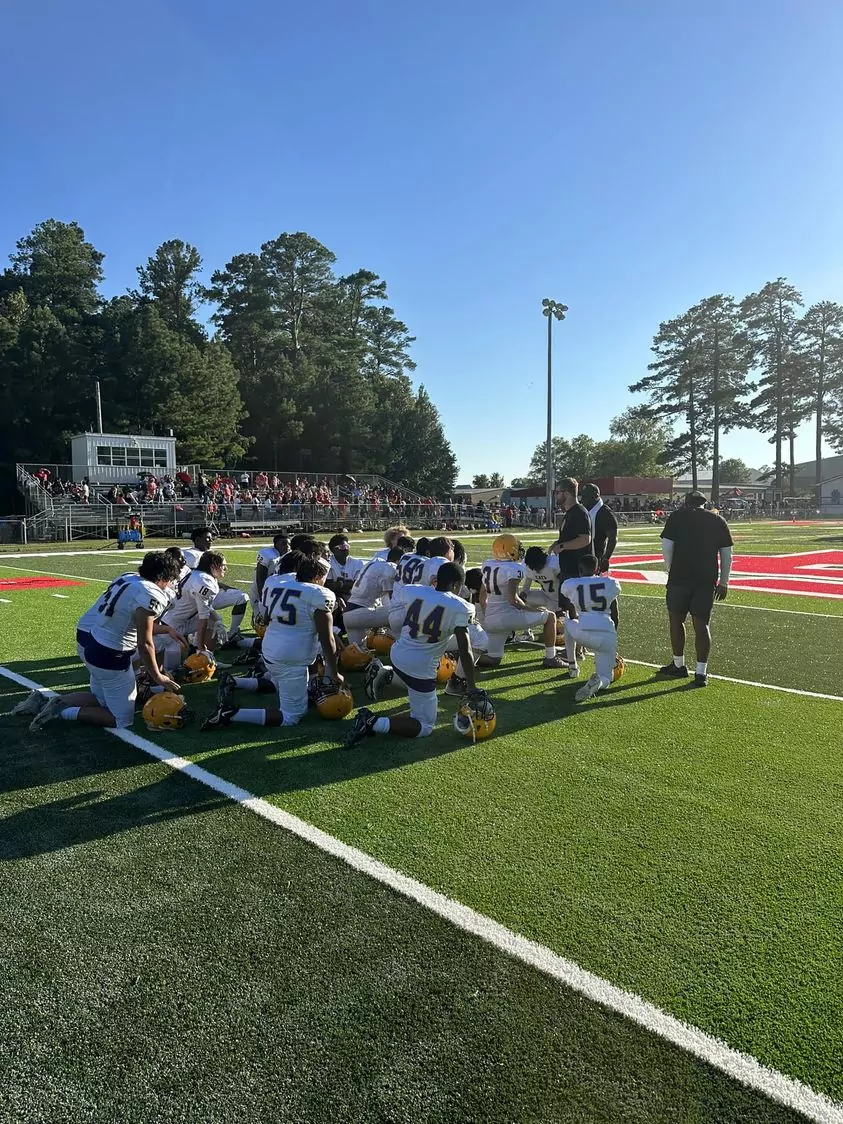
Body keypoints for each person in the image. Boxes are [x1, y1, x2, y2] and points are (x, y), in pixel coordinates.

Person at [17, 552, 182, 731]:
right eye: (170, 579)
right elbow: (145, 643)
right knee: (121, 719)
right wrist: (157, 675)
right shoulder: (151, 594)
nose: (170, 584)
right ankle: (61, 712)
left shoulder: (129, 577)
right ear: (162, 577)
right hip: (110, 654)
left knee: (102, 699)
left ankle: (48, 702)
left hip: (91, 637)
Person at [345, 561, 487, 745]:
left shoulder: (412, 591)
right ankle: (372, 722)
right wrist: (471, 686)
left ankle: (387, 673)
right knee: (424, 725)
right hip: (420, 666)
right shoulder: (461, 606)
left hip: (398, 652)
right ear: (455, 585)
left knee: (413, 678)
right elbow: (465, 650)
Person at [202, 555, 341, 730]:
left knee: (279, 681)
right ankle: (230, 714)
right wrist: (333, 672)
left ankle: (234, 682)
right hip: (291, 658)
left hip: (269, 649)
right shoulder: (319, 594)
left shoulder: (279, 585)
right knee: (292, 716)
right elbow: (327, 639)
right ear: (318, 577)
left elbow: (267, 618)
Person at [658, 490, 733, 687]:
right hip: (705, 580)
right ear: (704, 504)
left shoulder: (677, 517)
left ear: (686, 503)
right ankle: (701, 672)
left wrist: (671, 570)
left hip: (679, 578)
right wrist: (724, 582)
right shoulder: (717, 520)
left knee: (676, 620)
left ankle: (679, 664)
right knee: (702, 624)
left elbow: (667, 547)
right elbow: (727, 553)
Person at [477, 534, 565, 670]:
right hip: (508, 617)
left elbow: (482, 596)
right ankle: (551, 658)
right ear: (511, 550)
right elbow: (513, 600)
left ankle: (463, 658)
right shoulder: (514, 568)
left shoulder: (488, 565)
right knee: (550, 617)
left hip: (491, 619)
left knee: (493, 659)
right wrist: (533, 609)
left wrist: (487, 614)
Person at [559, 555, 621, 701]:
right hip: (607, 635)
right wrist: (613, 643)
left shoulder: (571, 584)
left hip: (583, 634)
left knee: (567, 621)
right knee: (607, 678)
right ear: (597, 568)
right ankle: (599, 683)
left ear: (580, 569)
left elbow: (570, 610)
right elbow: (615, 615)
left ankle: (573, 667)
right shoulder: (610, 583)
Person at [182, 527, 248, 640]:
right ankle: (194, 638)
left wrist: (224, 586)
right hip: (196, 596)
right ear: (197, 540)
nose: (211, 541)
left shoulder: (208, 554)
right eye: (207, 538)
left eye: (211, 538)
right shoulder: (191, 555)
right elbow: (194, 580)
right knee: (209, 621)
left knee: (242, 597)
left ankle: (232, 634)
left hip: (210, 593)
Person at [342, 547, 403, 649]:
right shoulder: (390, 567)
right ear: (398, 561)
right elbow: (392, 599)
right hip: (361, 613)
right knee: (399, 613)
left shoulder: (372, 564)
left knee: (357, 652)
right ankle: (398, 644)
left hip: (348, 614)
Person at [550, 478, 592, 581]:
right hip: (567, 569)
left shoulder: (579, 512)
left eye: (557, 492)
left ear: (566, 493)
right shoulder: (570, 513)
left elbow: (585, 539)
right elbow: (570, 537)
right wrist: (557, 543)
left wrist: (562, 546)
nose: (556, 496)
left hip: (576, 571)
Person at [580, 483, 618, 574]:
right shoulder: (584, 511)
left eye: (586, 497)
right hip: (581, 556)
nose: (582, 499)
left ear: (595, 496)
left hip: (595, 557)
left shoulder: (605, 513)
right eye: (582, 496)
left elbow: (612, 538)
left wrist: (606, 558)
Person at [249, 531, 290, 610]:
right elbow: (260, 579)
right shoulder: (269, 556)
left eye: (289, 544)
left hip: (274, 591)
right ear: (275, 545)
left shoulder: (289, 556)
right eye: (284, 543)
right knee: (259, 614)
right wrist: (263, 597)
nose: (287, 546)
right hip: (260, 590)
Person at [325, 533, 365, 600]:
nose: (346, 549)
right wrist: (348, 584)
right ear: (333, 549)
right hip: (334, 597)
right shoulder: (328, 563)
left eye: (347, 546)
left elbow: (358, 585)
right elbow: (330, 586)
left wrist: (340, 584)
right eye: (342, 547)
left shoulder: (357, 563)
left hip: (354, 597)